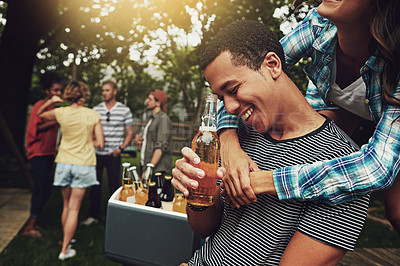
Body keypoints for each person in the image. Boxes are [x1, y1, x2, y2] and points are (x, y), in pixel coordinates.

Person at [173, 20, 369, 265]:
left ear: (273, 65)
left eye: (233, 89)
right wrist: (199, 193)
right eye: (222, 97)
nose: (230, 107)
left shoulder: (343, 167)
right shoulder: (233, 136)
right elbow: (203, 229)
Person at [208, 0, 400, 234]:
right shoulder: (319, 24)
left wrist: (265, 181)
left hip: (390, 121)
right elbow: (244, 72)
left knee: (396, 210)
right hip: (339, 106)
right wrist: (229, 145)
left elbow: (377, 167)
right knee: (310, 148)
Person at [37, 80, 104, 260]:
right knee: (74, 208)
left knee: (66, 205)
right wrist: (87, 142)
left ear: (68, 94)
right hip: (84, 163)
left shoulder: (61, 112)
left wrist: (52, 101)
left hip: (64, 162)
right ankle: (65, 250)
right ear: (84, 95)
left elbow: (39, 114)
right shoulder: (93, 114)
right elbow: (101, 143)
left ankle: (66, 239)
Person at [81, 80, 134, 226]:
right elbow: (90, 131)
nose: (104, 93)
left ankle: (114, 217)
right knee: (95, 186)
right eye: (103, 90)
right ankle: (93, 216)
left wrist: (121, 149)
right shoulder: (96, 109)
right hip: (97, 154)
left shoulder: (124, 110)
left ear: (114, 92)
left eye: (107, 90)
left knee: (114, 186)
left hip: (113, 154)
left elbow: (130, 132)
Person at [24, 72, 62, 238]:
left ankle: (33, 223)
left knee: (38, 189)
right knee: (45, 190)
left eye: (60, 91)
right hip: (37, 152)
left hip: (48, 153)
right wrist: (57, 119)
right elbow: (35, 128)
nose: (58, 94)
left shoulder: (55, 109)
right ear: (47, 91)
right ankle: (30, 225)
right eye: (55, 90)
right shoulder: (41, 105)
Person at [135, 89, 172, 175]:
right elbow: (150, 139)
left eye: (150, 99)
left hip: (157, 170)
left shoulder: (163, 119)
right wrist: (140, 140)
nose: (146, 101)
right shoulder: (150, 118)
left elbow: (160, 147)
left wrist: (149, 170)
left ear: (158, 103)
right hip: (146, 165)